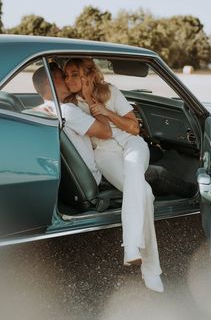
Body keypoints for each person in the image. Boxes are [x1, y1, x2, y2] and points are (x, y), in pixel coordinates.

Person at [64, 58, 164, 292]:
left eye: (74, 74)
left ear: (88, 75)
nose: (69, 80)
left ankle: (131, 247)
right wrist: (87, 102)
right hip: (105, 154)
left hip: (132, 144)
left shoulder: (111, 91)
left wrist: (105, 110)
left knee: (133, 173)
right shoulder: (69, 105)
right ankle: (151, 268)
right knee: (145, 193)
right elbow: (104, 134)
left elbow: (134, 128)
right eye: (66, 75)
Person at [32, 62, 112, 186]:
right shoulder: (66, 110)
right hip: (93, 179)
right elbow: (106, 132)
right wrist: (89, 97)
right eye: (63, 77)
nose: (68, 81)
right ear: (50, 81)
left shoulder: (39, 111)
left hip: (70, 181)